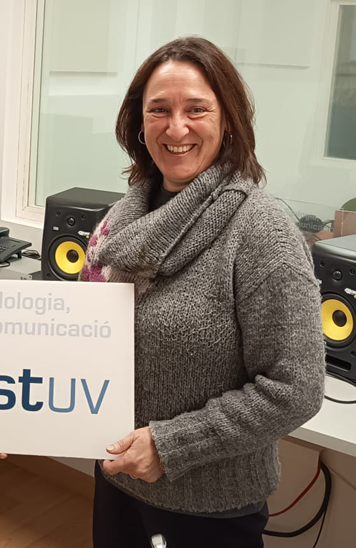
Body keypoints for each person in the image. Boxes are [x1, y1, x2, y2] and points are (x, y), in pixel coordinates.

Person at [80, 36, 326, 547]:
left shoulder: (262, 232)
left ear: (228, 119)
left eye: (196, 109)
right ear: (139, 122)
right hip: (117, 480)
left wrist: (170, 445)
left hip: (207, 509)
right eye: (159, 110)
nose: (176, 128)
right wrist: (10, 414)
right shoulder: (119, 222)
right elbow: (83, 341)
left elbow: (295, 387)